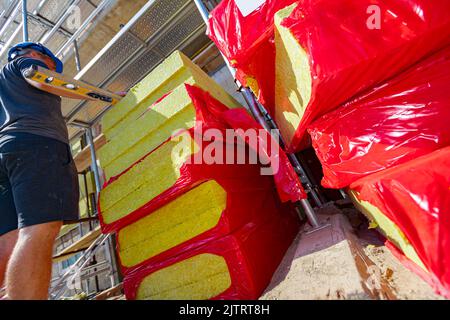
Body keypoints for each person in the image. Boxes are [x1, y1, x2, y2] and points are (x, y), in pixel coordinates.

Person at [0, 42, 95, 300]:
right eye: (52, 62)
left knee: (9, 240)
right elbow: (42, 79)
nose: (53, 67)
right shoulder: (23, 62)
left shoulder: (2, 86)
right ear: (35, 54)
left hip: (7, 154)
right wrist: (100, 94)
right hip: (37, 145)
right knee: (40, 228)